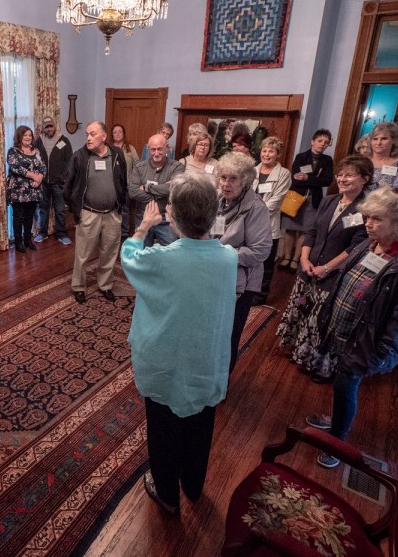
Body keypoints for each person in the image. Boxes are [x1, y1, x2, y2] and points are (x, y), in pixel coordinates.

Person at [121, 176, 237, 515]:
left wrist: (143, 227)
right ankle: (194, 486)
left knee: (163, 431)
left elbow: (129, 256)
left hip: (166, 362)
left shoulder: (161, 259)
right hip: (206, 360)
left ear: (172, 214)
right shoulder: (228, 257)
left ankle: (168, 495)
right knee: (201, 427)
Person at [305, 186, 398, 468]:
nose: (368, 224)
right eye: (367, 217)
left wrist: (381, 354)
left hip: (364, 342)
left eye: (377, 219)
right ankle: (336, 420)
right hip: (343, 330)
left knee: (346, 387)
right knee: (340, 383)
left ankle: (337, 442)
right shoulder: (367, 246)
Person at [277, 155, 372, 380]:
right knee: (302, 310)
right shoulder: (329, 200)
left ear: (365, 179)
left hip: (333, 275)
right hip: (308, 268)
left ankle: (314, 361)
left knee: (319, 319)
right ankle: (298, 351)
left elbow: (356, 246)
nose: (342, 179)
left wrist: (327, 268)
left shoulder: (366, 209)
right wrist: (304, 259)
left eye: (349, 175)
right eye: (340, 174)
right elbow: (311, 232)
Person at [211, 152, 272, 370]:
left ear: (244, 181)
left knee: (229, 335)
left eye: (233, 178)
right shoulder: (219, 201)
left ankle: (222, 382)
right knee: (212, 331)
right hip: (215, 275)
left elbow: (260, 251)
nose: (226, 184)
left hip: (240, 282)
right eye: (223, 177)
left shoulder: (256, 207)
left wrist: (221, 253)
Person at [64, 121, 127, 303]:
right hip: (88, 213)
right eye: (87, 134)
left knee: (109, 252)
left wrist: (120, 202)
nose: (88, 138)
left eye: (93, 134)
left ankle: (105, 285)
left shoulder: (117, 154)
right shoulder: (79, 156)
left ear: (104, 136)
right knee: (82, 253)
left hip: (112, 213)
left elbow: (123, 181)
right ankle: (78, 286)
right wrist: (75, 207)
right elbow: (68, 185)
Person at [279, 129, 334, 272]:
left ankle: (296, 259)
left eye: (326, 142)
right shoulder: (301, 157)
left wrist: (308, 178)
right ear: (312, 141)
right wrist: (315, 180)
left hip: (313, 199)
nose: (322, 144)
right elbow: (296, 179)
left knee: (305, 231)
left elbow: (327, 181)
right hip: (296, 197)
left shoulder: (327, 160)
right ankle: (286, 257)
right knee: (290, 229)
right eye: (320, 141)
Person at [252, 136, 291, 304]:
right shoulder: (253, 170)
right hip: (248, 222)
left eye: (271, 151)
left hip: (267, 223)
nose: (266, 154)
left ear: (278, 154)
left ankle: (261, 295)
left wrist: (254, 214)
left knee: (266, 262)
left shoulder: (284, 174)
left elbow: (276, 201)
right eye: (264, 150)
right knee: (249, 258)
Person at [129, 134, 184, 247]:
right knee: (142, 251)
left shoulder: (177, 167)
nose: (156, 153)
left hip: (167, 220)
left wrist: (147, 187)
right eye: (153, 149)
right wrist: (162, 193)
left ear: (167, 148)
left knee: (170, 251)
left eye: (160, 149)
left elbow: (175, 188)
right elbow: (133, 192)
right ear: (148, 149)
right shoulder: (139, 167)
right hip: (143, 218)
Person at [33, 117, 73, 245]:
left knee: (60, 210)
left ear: (55, 126)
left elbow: (69, 161)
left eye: (51, 126)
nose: (49, 129)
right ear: (43, 128)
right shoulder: (38, 142)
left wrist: (62, 178)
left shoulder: (64, 141)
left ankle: (61, 234)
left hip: (58, 183)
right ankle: (43, 233)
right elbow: (33, 160)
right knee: (43, 209)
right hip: (43, 183)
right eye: (47, 127)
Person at [7, 125, 46, 253]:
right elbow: (15, 167)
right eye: (25, 135)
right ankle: (18, 242)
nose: (28, 137)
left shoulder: (36, 151)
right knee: (18, 217)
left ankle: (28, 240)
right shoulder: (13, 151)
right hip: (19, 190)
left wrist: (39, 179)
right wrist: (33, 176)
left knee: (29, 216)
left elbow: (43, 167)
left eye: (30, 135)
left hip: (34, 190)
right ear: (19, 137)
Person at [366, 122, 398, 191]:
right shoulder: (362, 161)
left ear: (394, 140)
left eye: (384, 138)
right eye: (375, 139)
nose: (378, 143)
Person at [111, 123, 139, 239]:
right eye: (115, 132)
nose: (117, 134)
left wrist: (133, 181)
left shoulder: (130, 148)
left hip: (126, 186)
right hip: (112, 186)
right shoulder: (108, 149)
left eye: (120, 131)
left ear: (123, 134)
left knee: (125, 211)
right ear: (112, 135)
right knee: (112, 210)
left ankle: (124, 233)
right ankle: (112, 232)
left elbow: (137, 166)